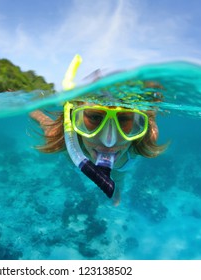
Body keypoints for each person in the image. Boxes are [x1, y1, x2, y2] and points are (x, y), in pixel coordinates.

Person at [30, 56, 168, 205]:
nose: (109, 142)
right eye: (95, 118)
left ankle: (118, 190)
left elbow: (150, 114)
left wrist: (151, 109)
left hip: (120, 168)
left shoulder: (147, 137)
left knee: (119, 177)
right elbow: (39, 116)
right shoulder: (59, 136)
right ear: (72, 118)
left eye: (123, 120)